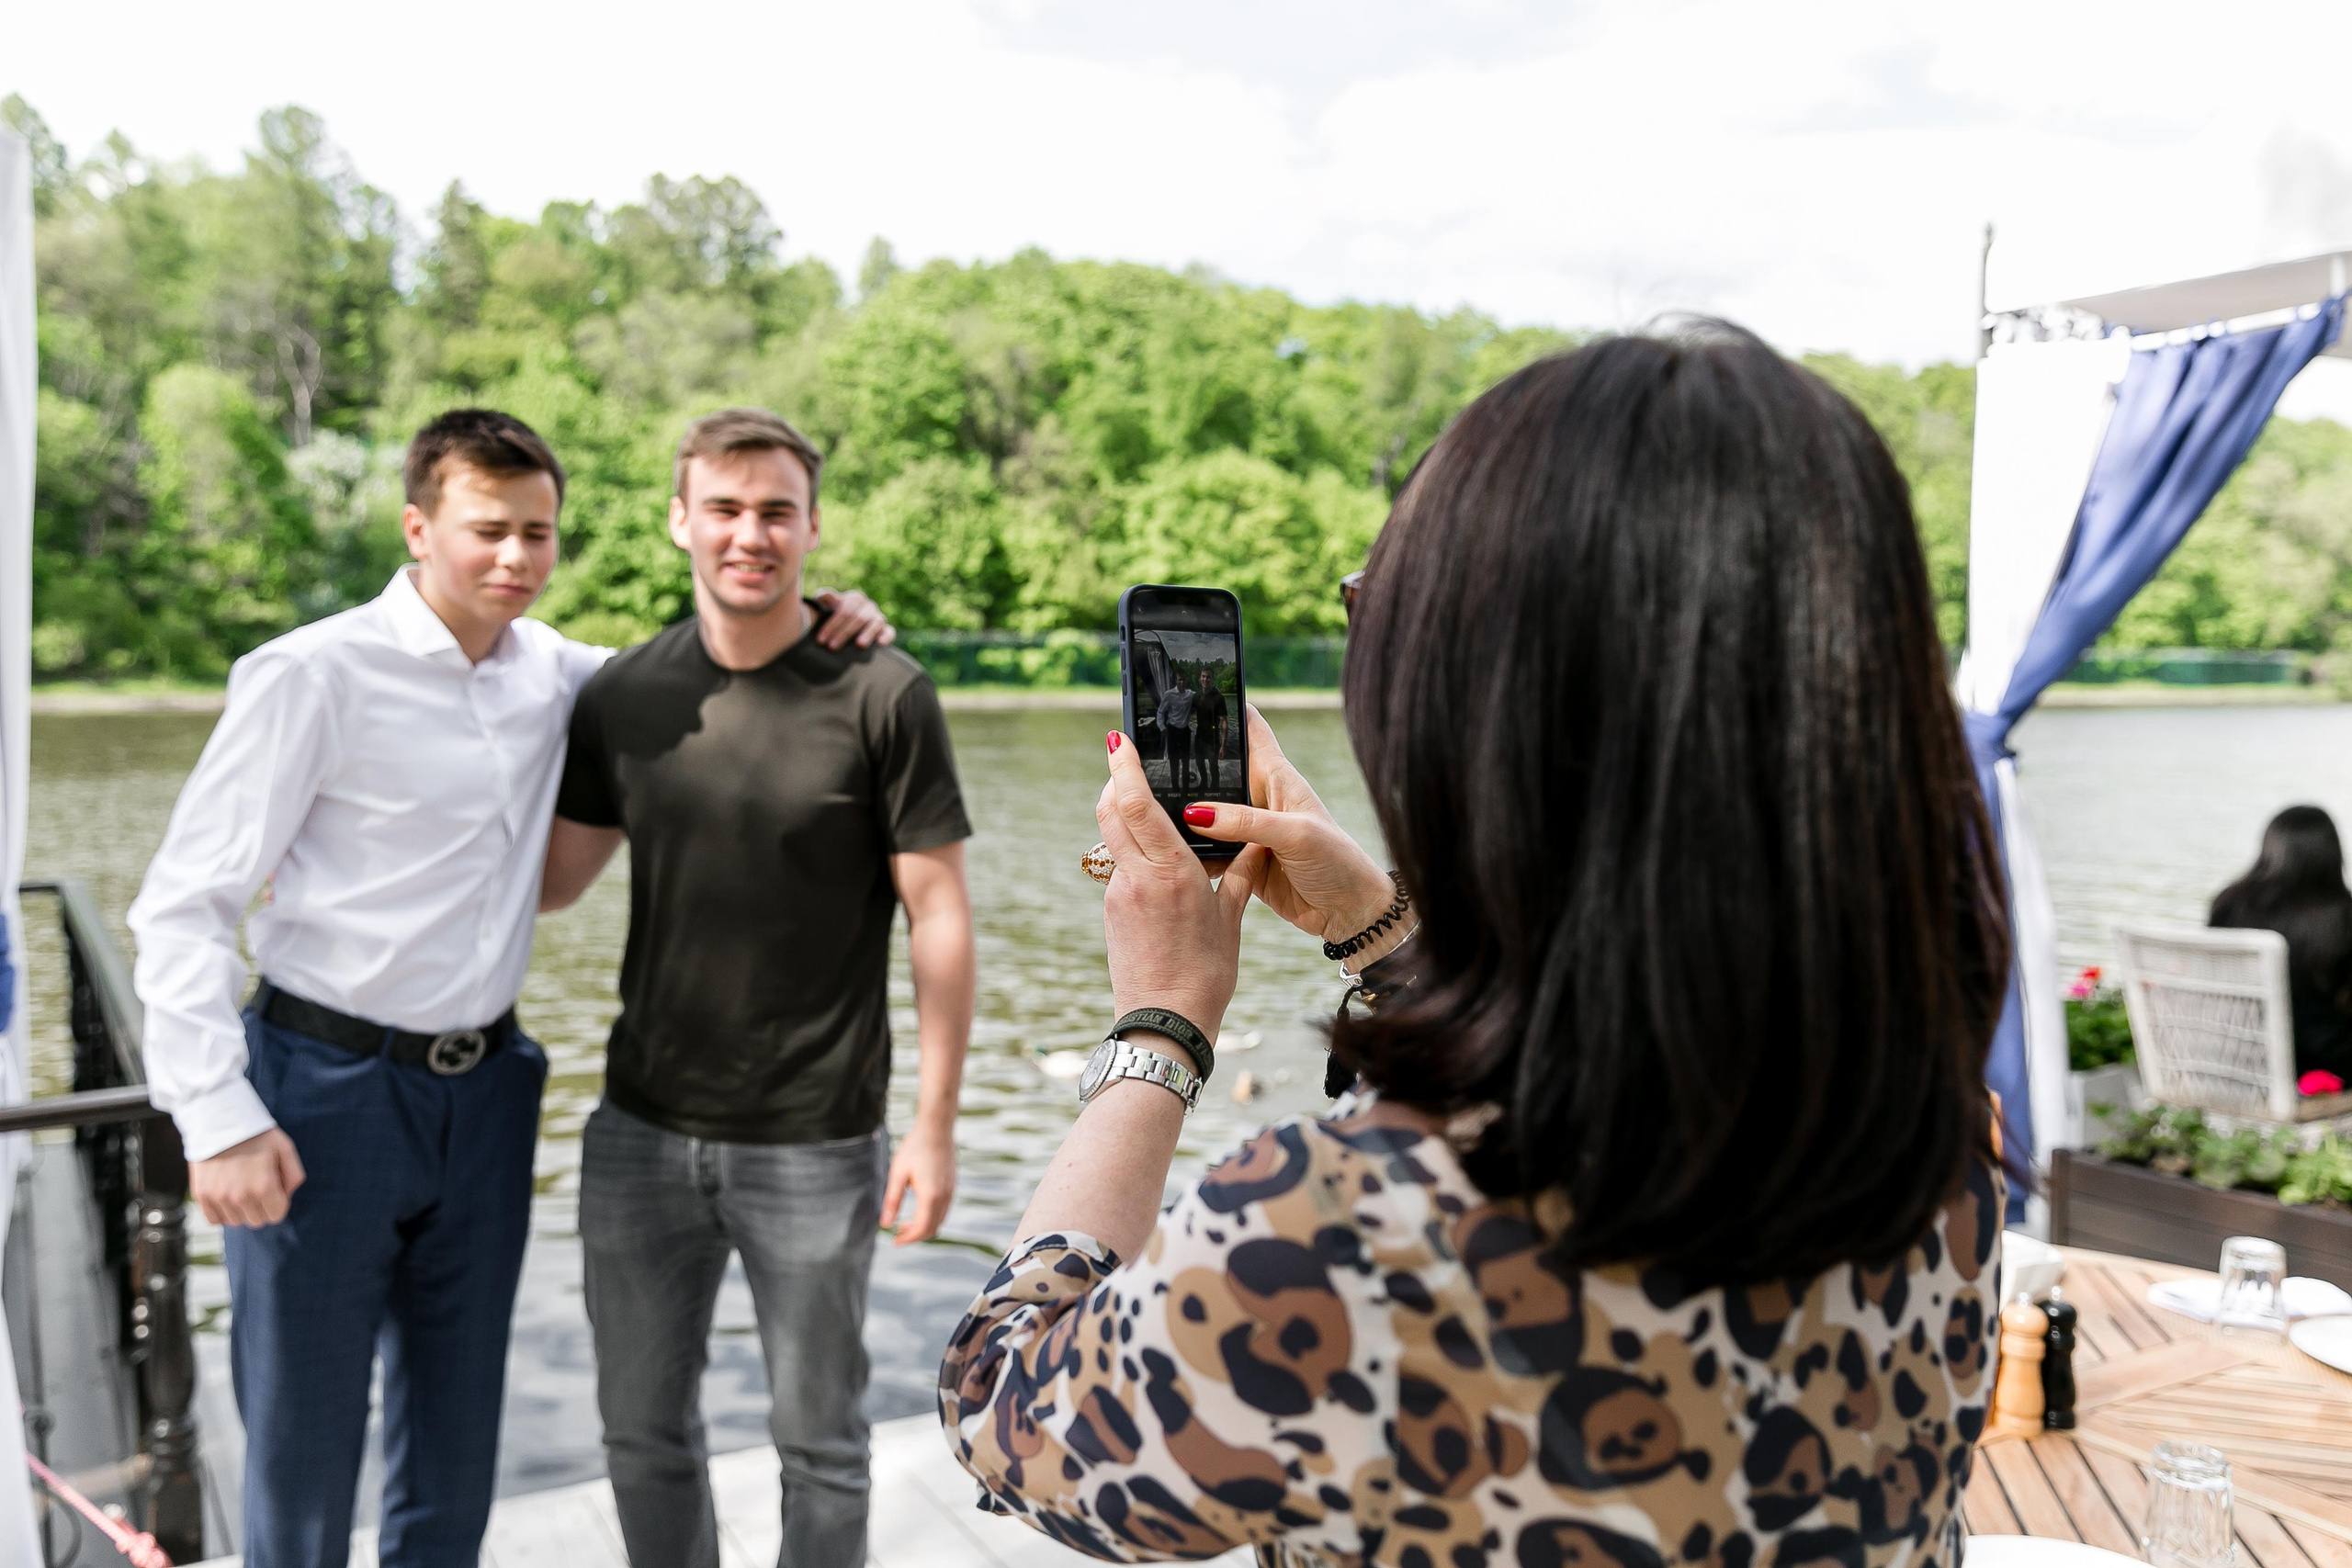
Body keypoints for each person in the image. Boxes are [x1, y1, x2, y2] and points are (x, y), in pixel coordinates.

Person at [939, 325, 2011, 1567]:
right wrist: (1380, 930)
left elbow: (1005, 1400)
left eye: (1378, 609)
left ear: (1487, 707)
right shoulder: (1933, 1158)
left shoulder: (1339, 1235)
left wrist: (1163, 1019)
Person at [126, 409, 892, 1568]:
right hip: (320, 1092)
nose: (516, 560)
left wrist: (839, 618)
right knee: (304, 1440)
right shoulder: (311, 674)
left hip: (485, 1093)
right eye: (489, 531)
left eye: (538, 534)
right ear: (417, 526)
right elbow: (183, 906)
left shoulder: (568, 676)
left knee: (454, 1444)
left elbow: (719, 658)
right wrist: (216, 1116)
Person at [538, 407, 976, 1568]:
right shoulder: (623, 698)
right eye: (724, 508)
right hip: (637, 1135)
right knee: (641, 1434)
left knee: (819, 1440)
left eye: (775, 511)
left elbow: (939, 916)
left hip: (817, 1140)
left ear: (813, 527)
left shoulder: (883, 692)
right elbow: (545, 885)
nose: (750, 534)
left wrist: (931, 1129)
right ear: (680, 518)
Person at [2211, 804, 2352, 1083]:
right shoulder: (2343, 917)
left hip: (2234, 1061)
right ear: (2331, 854)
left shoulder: (2228, 903)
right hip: (2317, 1070)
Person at [1155, 665, 1196, 793]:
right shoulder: (1169, 695)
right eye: (1179, 680)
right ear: (1176, 681)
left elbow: (1204, 698)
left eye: (1184, 679)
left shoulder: (1191, 695)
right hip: (1172, 730)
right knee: (1174, 761)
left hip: (1185, 731)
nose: (1182, 682)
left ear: (1187, 680)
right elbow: (1160, 711)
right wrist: (1162, 727)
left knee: (1185, 760)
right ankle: (1175, 788)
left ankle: (1185, 788)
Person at [1194, 665, 1228, 791]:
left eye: (1208, 677)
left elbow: (1224, 722)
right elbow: (1187, 713)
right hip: (1199, 736)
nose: (1205, 679)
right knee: (1199, 762)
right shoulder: (1197, 696)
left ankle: (1215, 789)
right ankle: (1203, 783)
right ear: (1200, 678)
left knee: (1213, 766)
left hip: (1212, 738)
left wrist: (1223, 746)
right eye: (1203, 676)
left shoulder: (1219, 698)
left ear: (1212, 680)